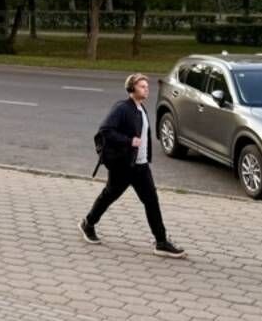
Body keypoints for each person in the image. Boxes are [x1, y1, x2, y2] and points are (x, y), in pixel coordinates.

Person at [80, 73, 186, 258]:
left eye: (147, 86)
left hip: (141, 166)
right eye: (142, 86)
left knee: (151, 201)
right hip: (124, 166)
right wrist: (128, 141)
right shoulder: (122, 108)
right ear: (131, 89)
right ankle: (88, 224)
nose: (146, 89)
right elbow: (105, 130)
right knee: (109, 196)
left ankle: (161, 242)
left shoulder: (140, 108)